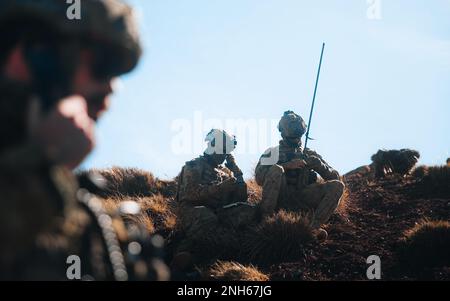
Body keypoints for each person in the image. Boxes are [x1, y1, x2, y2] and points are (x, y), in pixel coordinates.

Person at [0, 0, 168, 280]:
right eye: (104, 64)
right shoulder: (39, 182)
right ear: (35, 55)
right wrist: (35, 173)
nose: (110, 92)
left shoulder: (76, 210)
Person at [255, 111, 344, 238]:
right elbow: (259, 178)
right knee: (276, 169)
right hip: (280, 197)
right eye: (292, 137)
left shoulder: (309, 153)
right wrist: (287, 165)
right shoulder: (273, 152)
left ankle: (312, 228)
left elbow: (336, 178)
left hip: (303, 197)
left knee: (337, 186)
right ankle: (266, 221)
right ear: (283, 133)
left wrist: (319, 166)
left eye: (298, 136)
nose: (296, 139)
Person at [175, 129, 256, 262]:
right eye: (222, 150)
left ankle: (228, 252)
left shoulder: (225, 172)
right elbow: (189, 194)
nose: (224, 155)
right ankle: (186, 255)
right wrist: (219, 188)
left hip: (219, 212)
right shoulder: (195, 165)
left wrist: (237, 172)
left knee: (247, 211)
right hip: (193, 212)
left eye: (227, 151)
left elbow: (241, 199)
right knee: (206, 217)